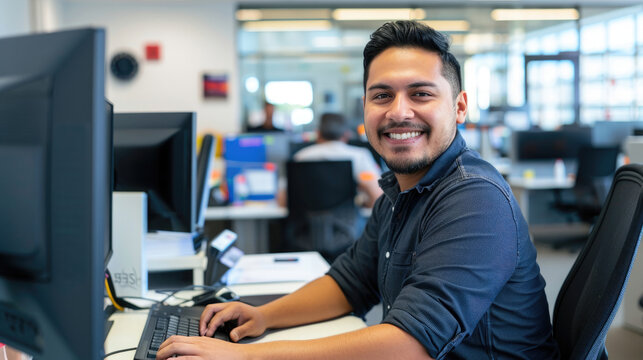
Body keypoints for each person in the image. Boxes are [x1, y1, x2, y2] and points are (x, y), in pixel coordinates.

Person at [157, 20, 559, 360]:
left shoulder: (475, 198)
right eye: (381, 95)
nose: (399, 111)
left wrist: (249, 354)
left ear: (459, 107)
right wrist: (265, 316)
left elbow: (412, 342)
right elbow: (350, 284)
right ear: (365, 110)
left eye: (420, 93)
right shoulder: (398, 194)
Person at [293, 112, 383, 208]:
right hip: (349, 221)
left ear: (318, 134)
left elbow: (284, 199)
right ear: (347, 134)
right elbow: (377, 197)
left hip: (307, 221)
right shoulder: (359, 156)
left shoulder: (301, 157)